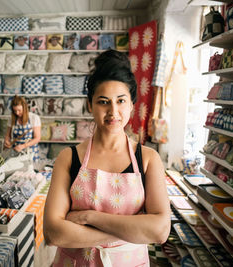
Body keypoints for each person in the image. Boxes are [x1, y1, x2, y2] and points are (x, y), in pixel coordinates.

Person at [43, 50, 170, 267]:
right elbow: (54, 233)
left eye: (121, 101)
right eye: (103, 102)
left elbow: (159, 231)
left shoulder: (148, 159)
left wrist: (89, 218)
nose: (113, 111)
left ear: (131, 104)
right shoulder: (69, 158)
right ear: (90, 105)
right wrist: (132, 231)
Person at [3, 95, 41, 162]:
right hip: (16, 152)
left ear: (25, 108)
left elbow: (37, 138)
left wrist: (23, 146)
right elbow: (7, 135)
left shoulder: (34, 118)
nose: (17, 113)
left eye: (19, 110)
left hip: (30, 152)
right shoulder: (12, 119)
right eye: (15, 111)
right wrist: (7, 141)